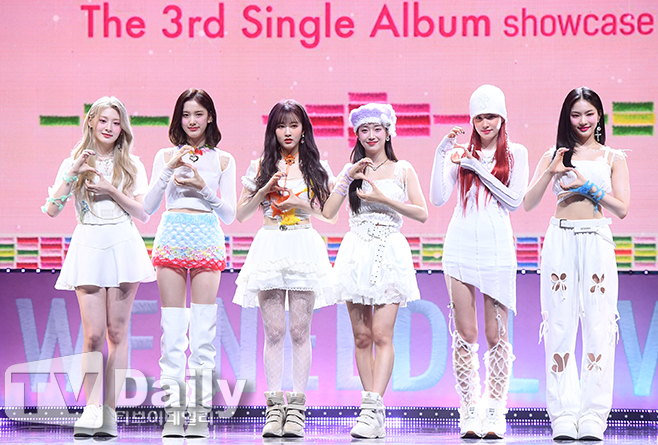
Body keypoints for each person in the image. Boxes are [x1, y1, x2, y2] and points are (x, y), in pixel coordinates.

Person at [42, 96, 155, 437]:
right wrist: (72, 173)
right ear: (91, 121)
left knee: (117, 333)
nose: (109, 128)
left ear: (123, 128)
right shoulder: (74, 161)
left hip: (123, 244)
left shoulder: (132, 165)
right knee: (92, 335)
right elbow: (52, 210)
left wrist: (110, 189)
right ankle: (90, 408)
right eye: (103, 120)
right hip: (89, 244)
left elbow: (143, 213)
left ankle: (109, 411)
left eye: (116, 123)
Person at [523, 87, 629, 441]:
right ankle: (563, 414)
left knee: (600, 325)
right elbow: (528, 203)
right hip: (561, 238)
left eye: (589, 113)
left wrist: (589, 188)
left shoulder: (613, 157)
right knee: (559, 326)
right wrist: (550, 172)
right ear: (566, 118)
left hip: (597, 238)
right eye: (575, 114)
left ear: (599, 116)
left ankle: (594, 415)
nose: (582, 121)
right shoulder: (554, 155)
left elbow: (622, 208)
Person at [323, 103, 428, 439]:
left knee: (382, 335)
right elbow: (328, 213)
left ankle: (370, 410)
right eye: (364, 130)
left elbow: (422, 213)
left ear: (388, 132)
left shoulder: (402, 169)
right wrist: (346, 178)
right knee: (362, 337)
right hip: (356, 252)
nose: (371, 135)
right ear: (357, 134)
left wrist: (384, 199)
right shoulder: (351, 170)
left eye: (377, 129)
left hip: (389, 252)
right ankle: (372, 412)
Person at [429, 85, 529, 439]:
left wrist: (480, 169)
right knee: (465, 332)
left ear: (502, 118)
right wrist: (442, 153)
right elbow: (438, 198)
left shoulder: (516, 153)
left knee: (495, 333)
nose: (485, 124)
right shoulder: (461, 154)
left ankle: (495, 409)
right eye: (479, 117)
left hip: (497, 247)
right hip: (459, 245)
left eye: (491, 117)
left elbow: (514, 201)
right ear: (472, 120)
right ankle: (469, 409)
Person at [232, 99, 334, 438]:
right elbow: (241, 214)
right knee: (274, 331)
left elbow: (329, 213)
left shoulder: (317, 166)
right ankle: (274, 409)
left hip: (303, 244)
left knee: (300, 331)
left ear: (303, 129)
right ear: (272, 130)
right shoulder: (260, 165)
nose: (287, 132)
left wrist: (299, 203)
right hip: (271, 244)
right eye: (281, 125)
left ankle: (297, 410)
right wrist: (265, 188)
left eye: (293, 125)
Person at [143, 88, 236, 438]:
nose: (192, 121)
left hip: (206, 235)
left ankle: (198, 413)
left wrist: (202, 187)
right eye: (186, 114)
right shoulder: (165, 155)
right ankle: (172, 412)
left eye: (198, 114)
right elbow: (149, 206)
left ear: (209, 117)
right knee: (172, 330)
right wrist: (169, 169)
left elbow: (229, 214)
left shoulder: (223, 160)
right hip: (172, 233)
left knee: (202, 331)